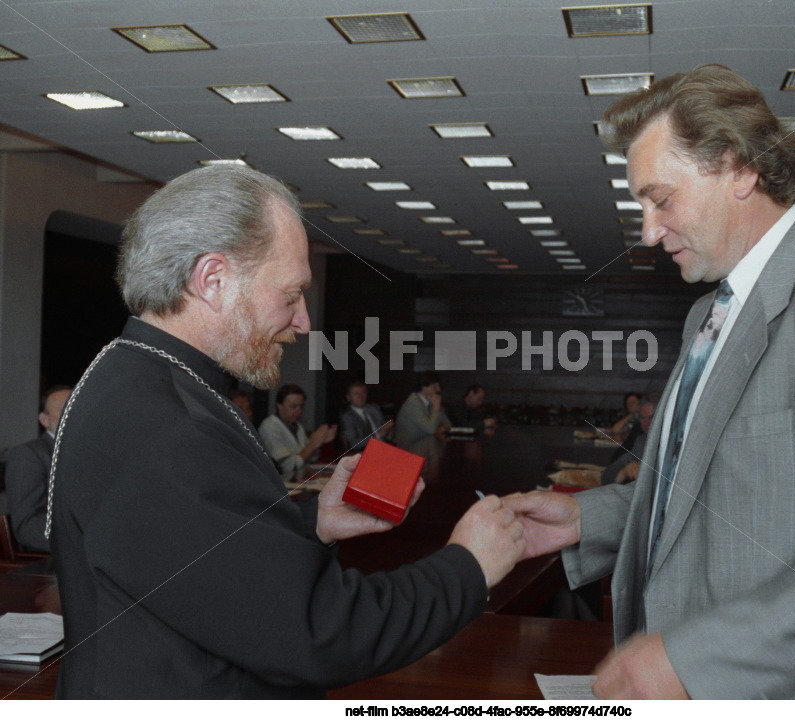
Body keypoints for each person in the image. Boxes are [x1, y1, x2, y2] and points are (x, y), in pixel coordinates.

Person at [505, 64, 795, 699]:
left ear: (741, 169)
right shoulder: (711, 311)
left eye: (660, 199)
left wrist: (695, 659)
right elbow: (713, 489)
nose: (647, 231)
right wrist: (585, 520)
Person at [47, 165, 525, 699]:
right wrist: (469, 566)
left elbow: (199, 561)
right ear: (212, 280)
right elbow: (319, 633)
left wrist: (312, 522)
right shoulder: (161, 422)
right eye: (291, 293)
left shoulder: (140, 378)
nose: (302, 322)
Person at [4, 385, 72, 552]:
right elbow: (28, 525)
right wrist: (83, 543)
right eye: (63, 408)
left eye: (76, 406)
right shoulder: (29, 455)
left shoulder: (95, 452)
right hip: (53, 562)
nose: (71, 413)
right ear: (44, 420)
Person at [258, 383, 336, 481]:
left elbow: (309, 459)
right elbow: (288, 467)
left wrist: (320, 442)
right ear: (279, 406)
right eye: (293, 406)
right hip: (280, 486)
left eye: (301, 406)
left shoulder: (297, 425)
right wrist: (312, 444)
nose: (299, 411)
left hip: (298, 482)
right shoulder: (269, 426)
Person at [601, 400, 655, 486]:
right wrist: (624, 472)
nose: (647, 423)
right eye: (643, 418)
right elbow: (606, 475)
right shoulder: (642, 441)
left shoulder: (675, 444)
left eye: (652, 417)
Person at [393, 371, 452, 447]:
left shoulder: (431, 401)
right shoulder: (413, 403)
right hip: (408, 449)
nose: (438, 389)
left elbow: (448, 423)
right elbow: (431, 430)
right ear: (425, 386)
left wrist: (441, 428)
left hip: (422, 446)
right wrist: (436, 407)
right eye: (435, 386)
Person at [338, 379, 393, 451]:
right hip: (364, 453)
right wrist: (376, 435)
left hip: (384, 448)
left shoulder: (374, 409)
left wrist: (388, 431)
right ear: (348, 398)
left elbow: (387, 433)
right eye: (356, 394)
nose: (360, 397)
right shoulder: (347, 417)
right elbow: (353, 444)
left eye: (363, 393)